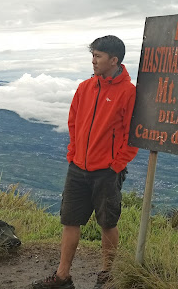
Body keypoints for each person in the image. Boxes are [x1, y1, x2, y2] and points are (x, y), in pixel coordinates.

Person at [32, 35, 139, 289]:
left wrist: (116, 164)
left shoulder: (127, 92)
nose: (93, 61)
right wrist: (73, 153)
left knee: (107, 223)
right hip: (78, 167)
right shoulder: (84, 88)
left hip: (107, 172)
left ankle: (106, 274)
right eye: (92, 55)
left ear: (114, 60)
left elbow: (132, 134)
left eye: (98, 56)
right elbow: (73, 121)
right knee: (70, 220)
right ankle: (62, 276)